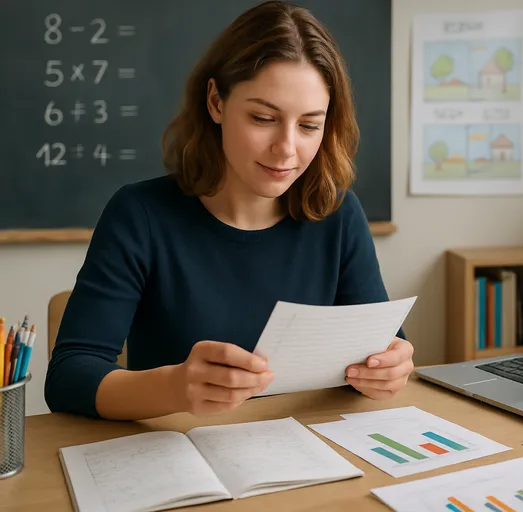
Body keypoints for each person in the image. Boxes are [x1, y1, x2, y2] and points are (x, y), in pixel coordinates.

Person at [44, 0, 414, 421]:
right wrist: (174, 387)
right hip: (176, 456)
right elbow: (69, 377)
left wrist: (390, 367)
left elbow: (386, 348)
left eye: (310, 125)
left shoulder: (338, 212)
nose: (287, 149)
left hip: (306, 455)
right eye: (262, 118)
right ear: (216, 102)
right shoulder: (139, 215)